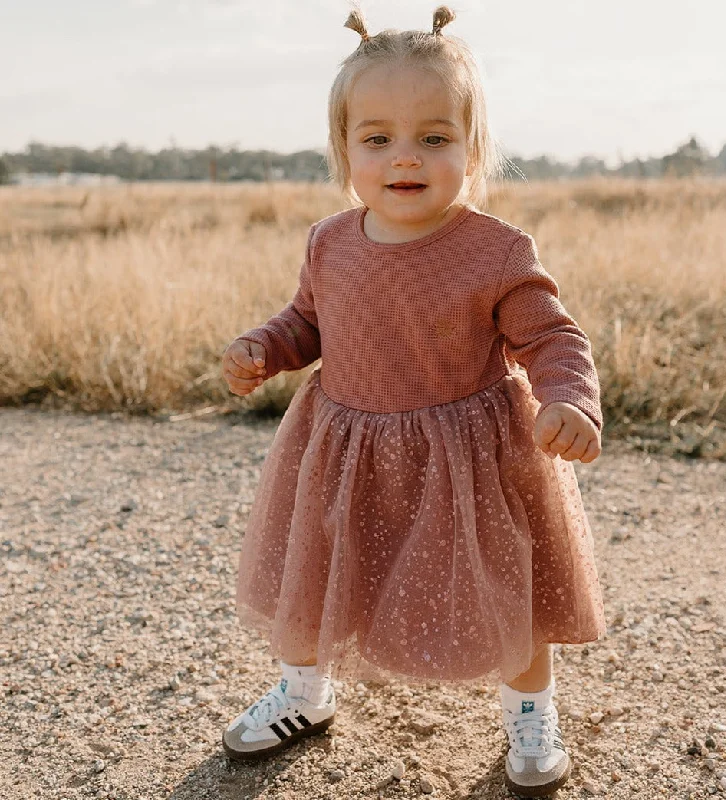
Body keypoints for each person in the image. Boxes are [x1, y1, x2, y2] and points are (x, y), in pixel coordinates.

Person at [220, 7, 605, 797]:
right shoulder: (330, 240)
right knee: (318, 572)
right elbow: (309, 320)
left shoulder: (496, 249)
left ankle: (531, 712)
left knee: (512, 587)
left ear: (472, 147)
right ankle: (304, 693)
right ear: (345, 149)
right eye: (378, 138)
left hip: (473, 457)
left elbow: (552, 340)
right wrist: (266, 347)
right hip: (346, 449)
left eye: (434, 137)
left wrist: (570, 400)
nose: (405, 156)